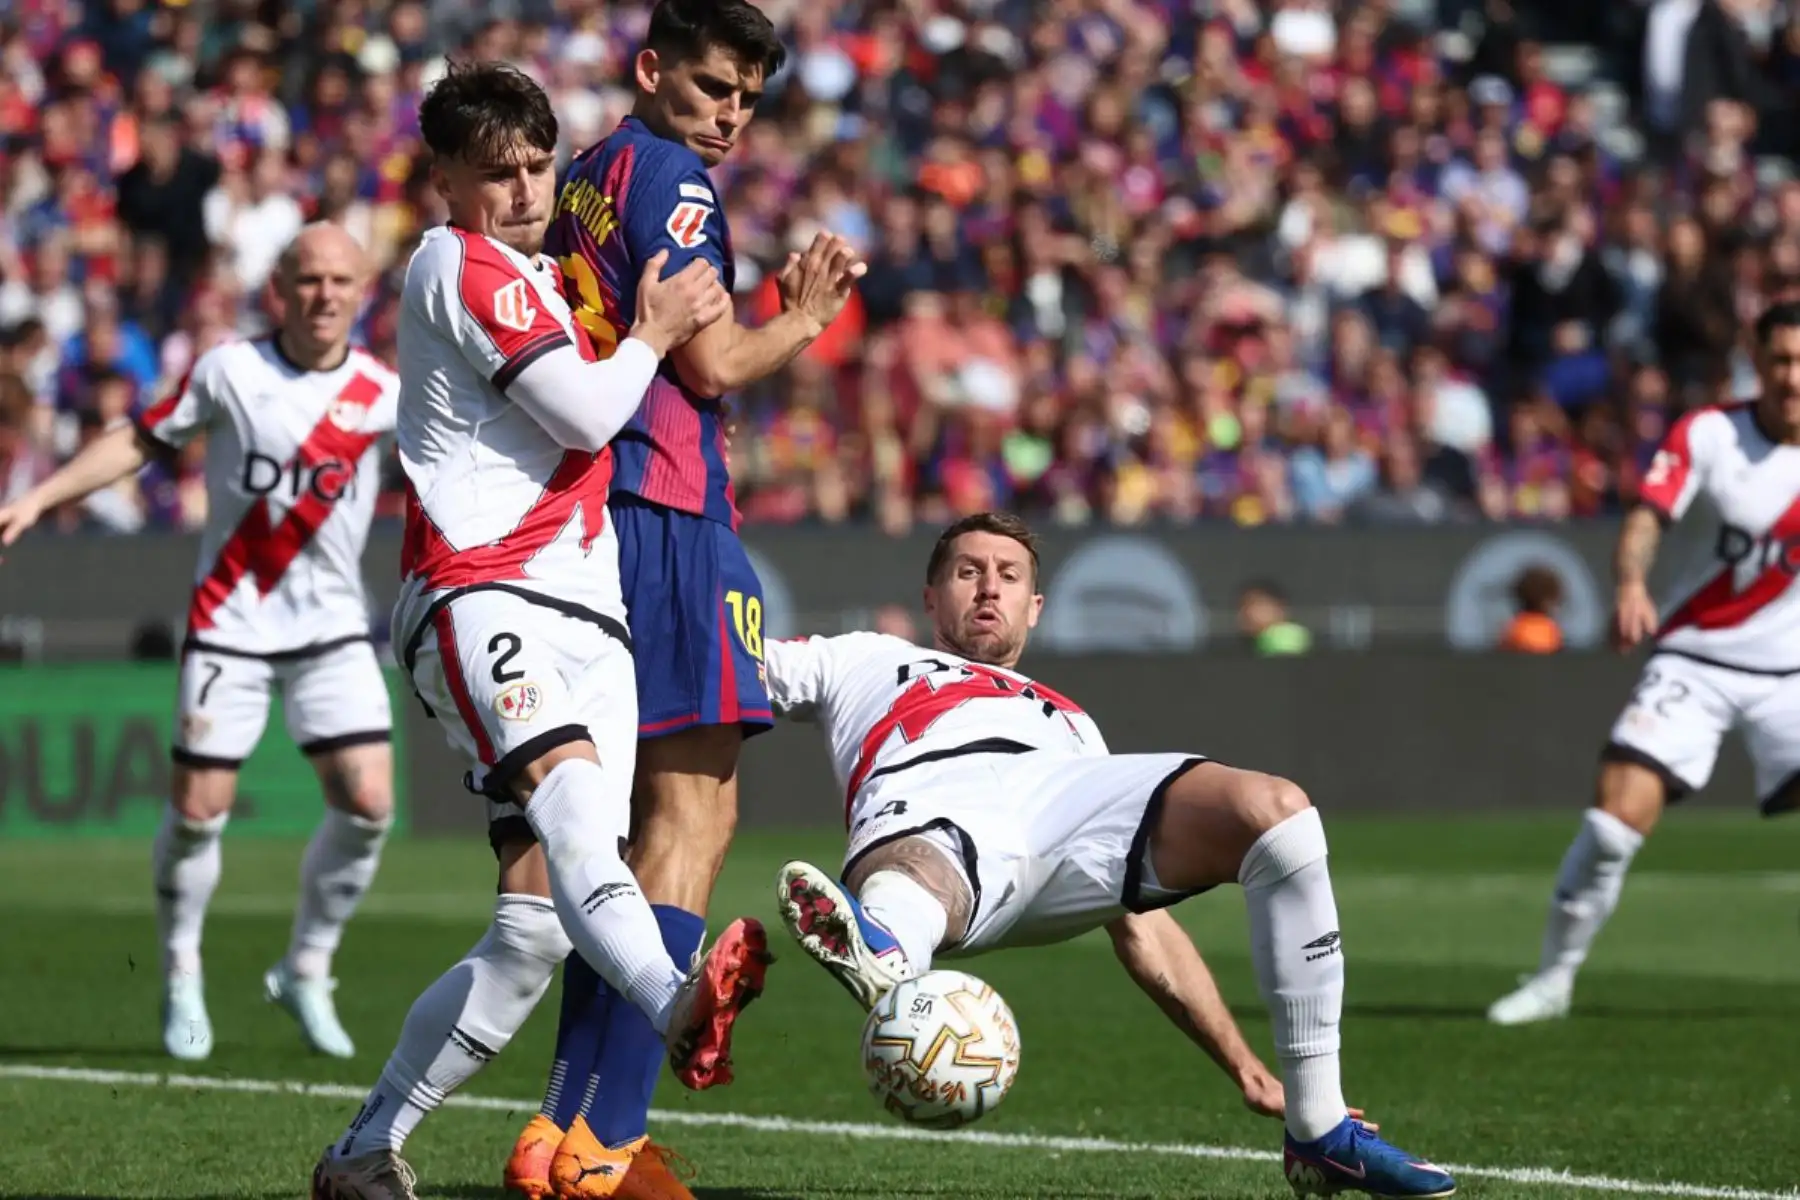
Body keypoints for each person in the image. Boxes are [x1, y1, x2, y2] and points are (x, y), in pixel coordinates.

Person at [310, 62, 768, 1200]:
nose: (521, 190)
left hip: (587, 609)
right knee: (572, 813)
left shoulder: (543, 280)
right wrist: (656, 332)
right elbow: (584, 411)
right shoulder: (456, 265)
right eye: (494, 174)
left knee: (533, 935)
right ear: (448, 185)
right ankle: (677, 1002)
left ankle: (365, 1153)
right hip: (482, 592)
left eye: (535, 166)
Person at [766, 512, 1457, 1200]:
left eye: (1008, 577)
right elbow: (734, 661)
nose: (987, 589)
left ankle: (1320, 1132)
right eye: (967, 572)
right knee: (936, 854)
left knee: (1278, 816)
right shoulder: (867, 656)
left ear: (1033, 609)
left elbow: (1142, 929)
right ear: (930, 596)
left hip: (1063, 804)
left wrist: (1243, 1064)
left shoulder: (1071, 723)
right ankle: (888, 944)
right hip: (932, 805)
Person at [506, 3, 866, 1196]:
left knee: (625, 844)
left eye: (748, 97)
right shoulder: (676, 184)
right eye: (714, 85)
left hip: (602, 513)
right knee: (691, 822)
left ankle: (558, 1134)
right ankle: (609, 1147)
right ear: (653, 67)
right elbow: (708, 364)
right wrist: (804, 321)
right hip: (669, 510)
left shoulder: (591, 174)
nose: (731, 114)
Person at [0, 222, 399, 1064]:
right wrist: (41, 500)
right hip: (232, 623)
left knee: (369, 804)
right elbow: (140, 441)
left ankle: (307, 968)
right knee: (196, 811)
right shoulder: (232, 371)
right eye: (309, 279)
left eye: (340, 280)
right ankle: (182, 970)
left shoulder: (383, 391)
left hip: (331, 627)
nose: (325, 294)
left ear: (361, 295)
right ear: (280, 290)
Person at [1489, 300, 1800, 1026]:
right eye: (1781, 360)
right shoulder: (1712, 435)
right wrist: (1631, 583)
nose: (1793, 377)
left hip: (1792, 673)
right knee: (1610, 826)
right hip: (1694, 659)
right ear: (1756, 360)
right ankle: (1553, 980)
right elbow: (1645, 519)